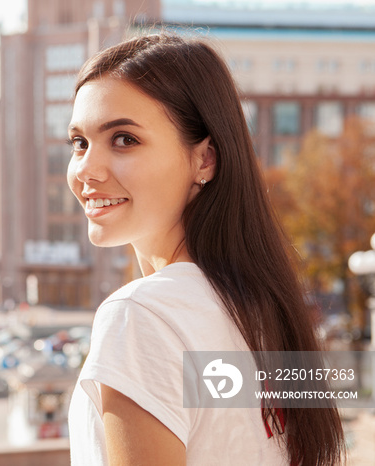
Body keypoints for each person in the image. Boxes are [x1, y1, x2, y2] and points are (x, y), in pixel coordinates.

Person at [66, 32, 344, 465]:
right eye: (79, 142)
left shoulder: (141, 317)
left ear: (205, 159)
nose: (86, 169)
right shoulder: (263, 307)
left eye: (124, 139)